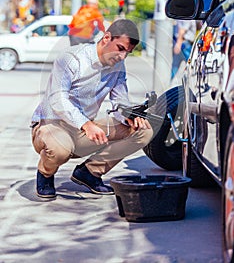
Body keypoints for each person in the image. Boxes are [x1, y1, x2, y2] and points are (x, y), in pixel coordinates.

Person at [31, 18, 153, 198]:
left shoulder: (118, 66)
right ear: (106, 38)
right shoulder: (71, 58)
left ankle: (89, 173)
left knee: (143, 131)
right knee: (59, 149)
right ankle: (45, 174)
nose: (122, 56)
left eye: (128, 52)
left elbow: (120, 101)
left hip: (84, 129)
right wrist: (86, 125)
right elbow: (58, 98)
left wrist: (129, 116)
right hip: (51, 125)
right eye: (120, 48)